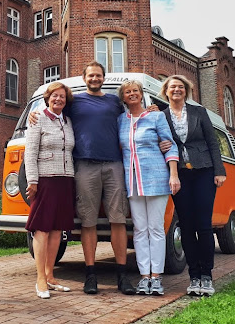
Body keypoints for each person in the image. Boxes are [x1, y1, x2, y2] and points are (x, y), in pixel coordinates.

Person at [30, 62, 171, 295]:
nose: (95, 78)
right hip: (85, 165)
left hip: (115, 163)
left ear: (103, 78)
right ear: (84, 78)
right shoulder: (74, 102)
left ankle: (122, 275)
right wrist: (36, 113)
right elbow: (53, 111)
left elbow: (136, 114)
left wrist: (155, 111)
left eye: (98, 75)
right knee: (88, 220)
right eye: (91, 75)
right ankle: (90, 274)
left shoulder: (115, 102)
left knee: (118, 219)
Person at [160, 75, 226, 296]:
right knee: (186, 227)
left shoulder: (199, 112)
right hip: (179, 175)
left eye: (180, 87)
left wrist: (219, 171)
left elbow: (212, 143)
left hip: (204, 172)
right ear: (166, 91)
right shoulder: (162, 116)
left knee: (204, 226)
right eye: (172, 87)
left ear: (186, 91)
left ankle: (207, 276)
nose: (176, 90)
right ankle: (194, 276)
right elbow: (158, 139)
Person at [117, 80, 180, 296]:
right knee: (139, 230)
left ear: (142, 94)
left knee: (156, 229)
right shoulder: (120, 121)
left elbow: (169, 144)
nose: (132, 94)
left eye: (135, 91)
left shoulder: (156, 116)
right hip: (132, 182)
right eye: (128, 92)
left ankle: (157, 277)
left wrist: (173, 174)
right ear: (123, 97)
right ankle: (144, 277)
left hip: (156, 179)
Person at [24, 81, 75, 299]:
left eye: (62, 96)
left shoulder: (68, 120)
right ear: (47, 98)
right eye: (54, 96)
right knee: (42, 229)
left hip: (65, 179)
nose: (58, 99)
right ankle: (40, 279)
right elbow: (30, 152)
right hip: (45, 179)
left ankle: (50, 275)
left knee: (57, 230)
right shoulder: (38, 118)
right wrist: (32, 181)